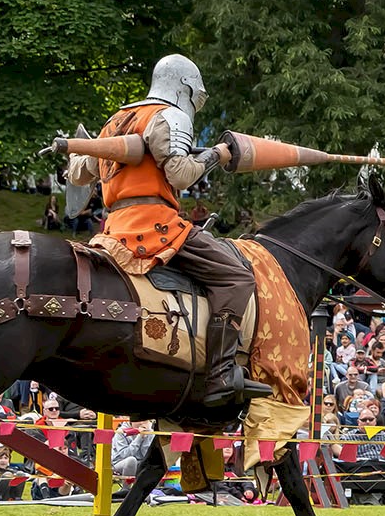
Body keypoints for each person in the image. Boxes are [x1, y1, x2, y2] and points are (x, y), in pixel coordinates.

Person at [56, 53, 268, 412]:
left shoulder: (119, 120)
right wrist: (217, 154)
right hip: (156, 227)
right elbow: (182, 174)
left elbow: (79, 174)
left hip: (113, 230)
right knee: (237, 277)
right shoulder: (170, 116)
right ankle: (218, 374)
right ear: (186, 88)